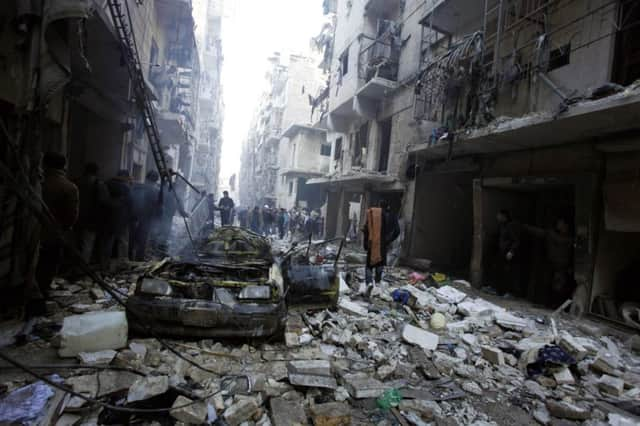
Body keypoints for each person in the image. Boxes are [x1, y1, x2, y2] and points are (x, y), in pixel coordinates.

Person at [36, 152, 79, 302]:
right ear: (64, 166)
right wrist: (65, 229)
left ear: (45, 164)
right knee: (48, 264)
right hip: (55, 233)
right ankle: (41, 293)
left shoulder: (37, 183)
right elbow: (71, 216)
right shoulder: (69, 187)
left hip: (32, 232)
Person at [524, 218, 574, 307]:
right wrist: (526, 227)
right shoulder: (554, 235)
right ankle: (547, 304)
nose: (558, 225)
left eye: (560, 223)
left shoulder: (568, 238)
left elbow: (572, 253)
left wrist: (570, 266)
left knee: (559, 287)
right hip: (552, 264)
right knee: (549, 284)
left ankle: (555, 305)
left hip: (562, 267)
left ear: (565, 225)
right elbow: (539, 232)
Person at [362, 200, 400, 294]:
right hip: (383, 244)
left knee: (369, 265)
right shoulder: (392, 216)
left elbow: (366, 229)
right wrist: (388, 240)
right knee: (380, 263)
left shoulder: (373, 214)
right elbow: (397, 231)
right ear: (388, 207)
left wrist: (365, 243)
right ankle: (378, 283)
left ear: (379, 206)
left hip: (372, 243)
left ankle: (369, 283)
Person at [74, 163, 109, 263]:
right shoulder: (99, 184)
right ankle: (82, 268)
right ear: (96, 172)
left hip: (75, 217)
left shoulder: (76, 181)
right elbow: (105, 202)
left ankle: (73, 265)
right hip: (91, 219)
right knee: (87, 245)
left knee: (76, 242)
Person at [99, 170, 133, 267]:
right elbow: (131, 204)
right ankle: (122, 263)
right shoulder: (126, 187)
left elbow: (101, 201)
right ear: (123, 176)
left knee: (107, 242)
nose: (128, 179)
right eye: (127, 177)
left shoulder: (106, 183)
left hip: (106, 218)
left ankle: (104, 264)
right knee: (123, 242)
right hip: (122, 219)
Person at [130, 170, 161, 261]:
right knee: (142, 242)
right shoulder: (156, 191)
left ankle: (129, 258)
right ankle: (138, 260)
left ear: (146, 178)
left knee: (132, 240)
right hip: (146, 220)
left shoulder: (136, 187)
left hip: (133, 218)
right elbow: (158, 207)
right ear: (155, 180)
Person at [495, 209, 522, 296]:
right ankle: (500, 291)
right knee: (500, 271)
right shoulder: (502, 226)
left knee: (507, 272)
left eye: (499, 215)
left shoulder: (511, 226)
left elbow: (516, 240)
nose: (497, 217)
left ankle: (508, 292)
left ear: (504, 216)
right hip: (502, 252)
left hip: (508, 253)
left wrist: (511, 251)